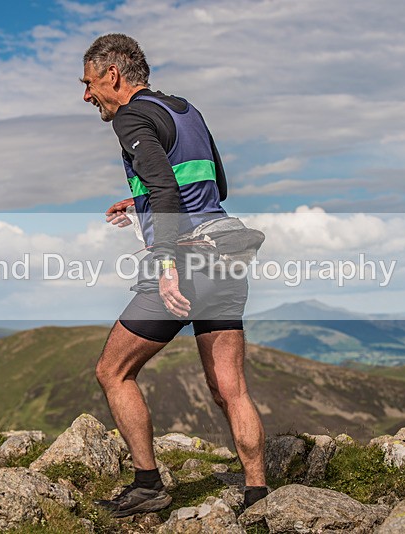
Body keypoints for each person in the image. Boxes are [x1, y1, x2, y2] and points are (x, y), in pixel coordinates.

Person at [81, 33, 268, 517]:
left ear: (113, 76)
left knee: (113, 371)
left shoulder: (130, 116)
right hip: (226, 254)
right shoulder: (186, 110)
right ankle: (257, 493)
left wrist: (165, 268)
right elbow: (213, 184)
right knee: (231, 387)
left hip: (186, 261)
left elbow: (164, 187)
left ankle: (148, 486)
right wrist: (138, 199)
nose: (86, 95)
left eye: (89, 83)